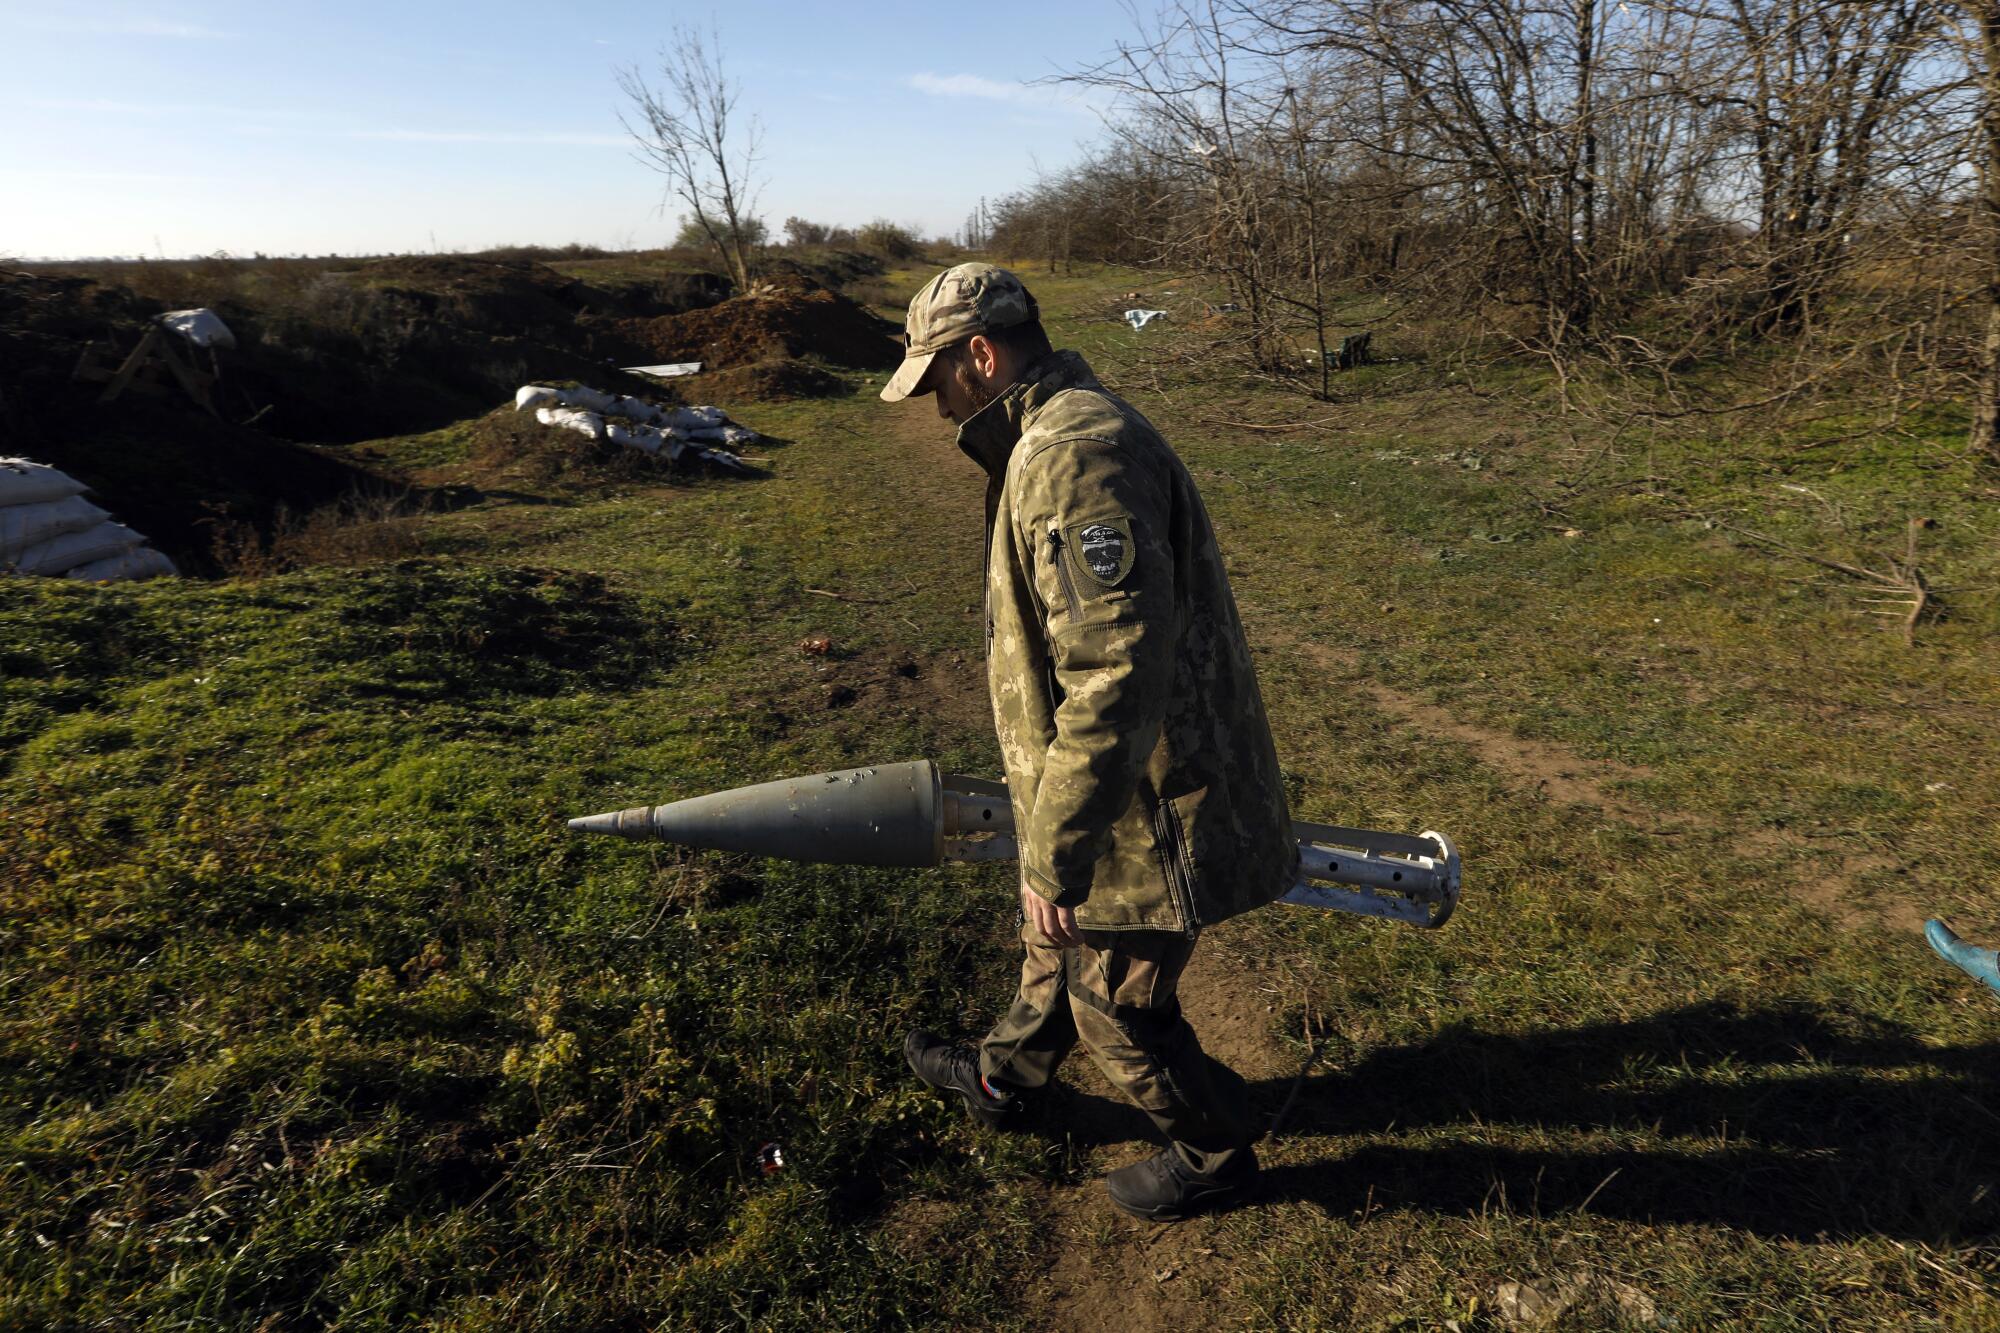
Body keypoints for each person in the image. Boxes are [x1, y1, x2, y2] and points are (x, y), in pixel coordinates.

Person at [884, 263, 1299, 1221]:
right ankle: (1009, 1080)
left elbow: (1114, 677)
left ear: (980, 355)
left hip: (1147, 806)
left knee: (1117, 1005)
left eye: (936, 376)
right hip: (1102, 793)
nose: (932, 401)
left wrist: (1057, 849)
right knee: (1049, 945)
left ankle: (1216, 1150)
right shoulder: (1045, 436)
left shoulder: (1074, 455)